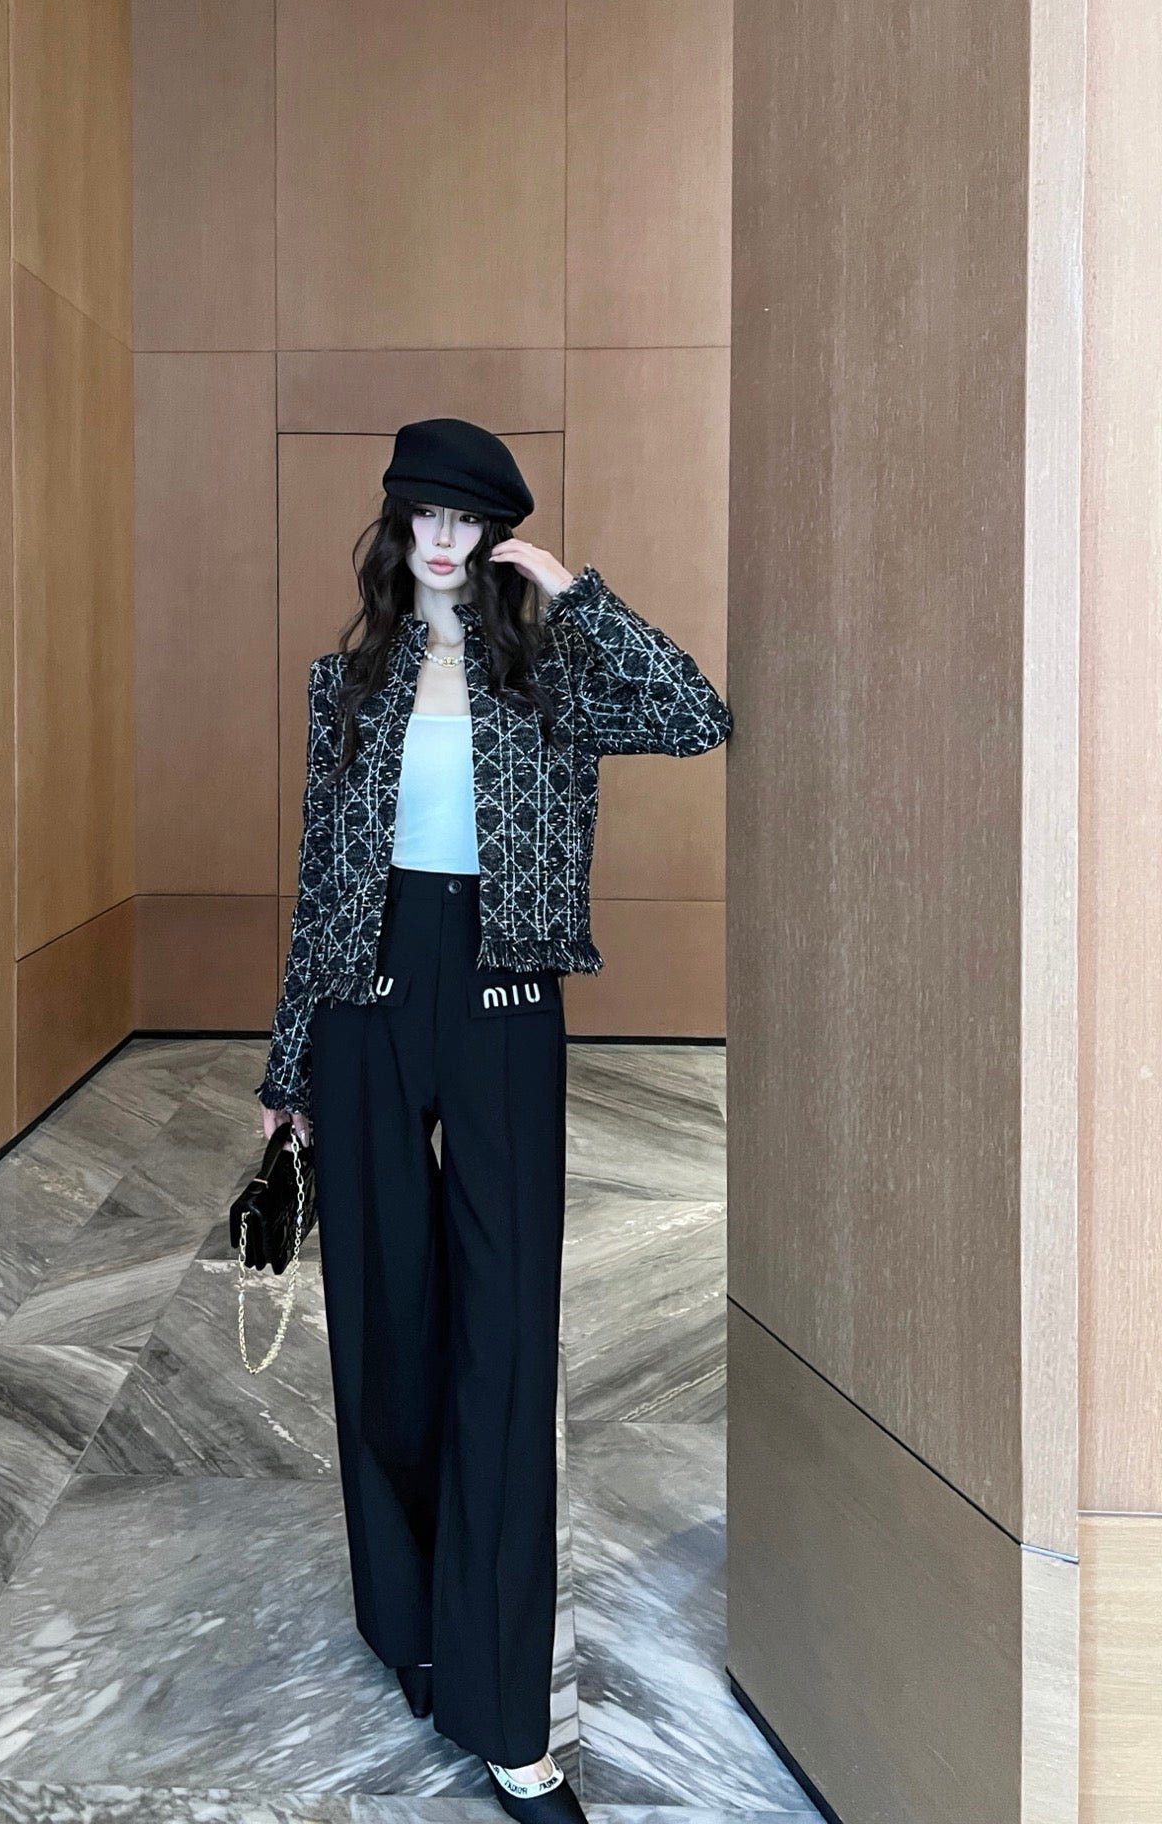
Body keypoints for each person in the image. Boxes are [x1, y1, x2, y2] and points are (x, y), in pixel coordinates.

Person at [255, 417, 733, 1822]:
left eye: (471, 518)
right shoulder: (346, 684)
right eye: (427, 513)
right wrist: (288, 1073)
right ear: (397, 525)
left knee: (507, 1342)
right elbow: (317, 884)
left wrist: (578, 593)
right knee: (385, 1322)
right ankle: (406, 1620)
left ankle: (508, 1714)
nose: (447, 538)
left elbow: (697, 714)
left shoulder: (553, 668)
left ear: (498, 533)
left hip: (506, 999)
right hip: (365, 1002)